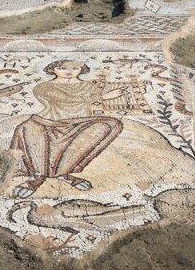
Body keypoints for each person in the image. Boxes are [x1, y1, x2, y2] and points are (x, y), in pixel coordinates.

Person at [10, 60, 125, 198]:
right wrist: (103, 97)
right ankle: (37, 178)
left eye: (75, 68)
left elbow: (92, 98)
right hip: (46, 122)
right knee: (28, 128)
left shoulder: (90, 86)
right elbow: (63, 100)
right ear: (52, 69)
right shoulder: (44, 87)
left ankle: (63, 174)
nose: (68, 71)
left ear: (82, 69)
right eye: (61, 68)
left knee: (108, 126)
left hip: (79, 123)